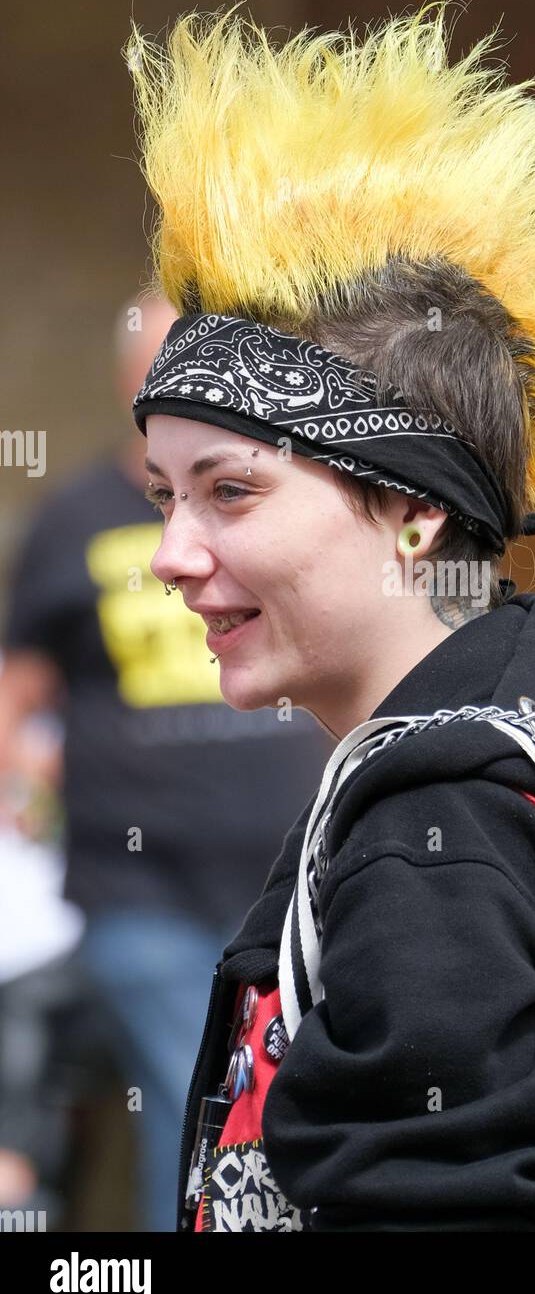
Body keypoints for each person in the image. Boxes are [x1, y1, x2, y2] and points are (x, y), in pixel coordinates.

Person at [123, 0, 535, 1232]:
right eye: (162, 497)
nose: (172, 556)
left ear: (412, 511)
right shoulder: (525, 758)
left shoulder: (437, 825)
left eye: (231, 491)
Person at [0, 295, 335, 1229]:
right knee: (200, 1098)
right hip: (139, 891)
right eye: (163, 364)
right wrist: (25, 797)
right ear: (125, 382)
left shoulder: (273, 501)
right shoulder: (74, 519)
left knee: (276, 1105)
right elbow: (16, 691)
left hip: (286, 884)